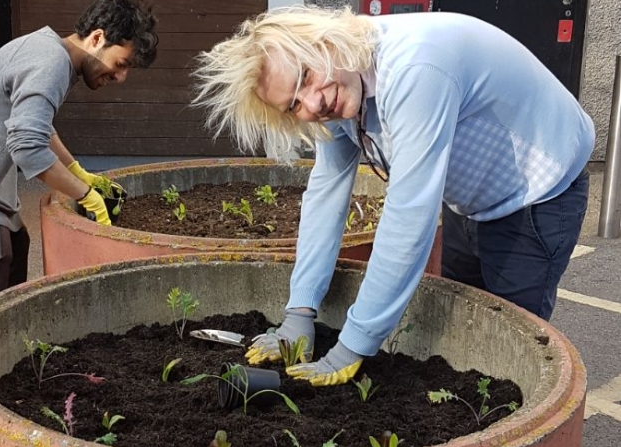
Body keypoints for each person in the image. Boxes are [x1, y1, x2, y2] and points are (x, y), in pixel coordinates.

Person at [192, 6, 594, 386]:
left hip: (537, 192)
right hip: (470, 199)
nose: (312, 102)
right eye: (293, 103)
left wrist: (351, 346)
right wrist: (299, 313)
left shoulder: (414, 68)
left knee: (512, 346)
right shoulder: (336, 87)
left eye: (305, 78)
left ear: (325, 42)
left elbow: (409, 214)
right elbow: (326, 193)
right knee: (468, 326)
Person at [0, 0, 158, 310]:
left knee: (16, 252)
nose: (120, 77)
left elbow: (37, 127)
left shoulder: (52, 53)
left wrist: (75, 169)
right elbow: (27, 146)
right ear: (97, 39)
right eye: (121, 63)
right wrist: (86, 194)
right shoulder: (51, 64)